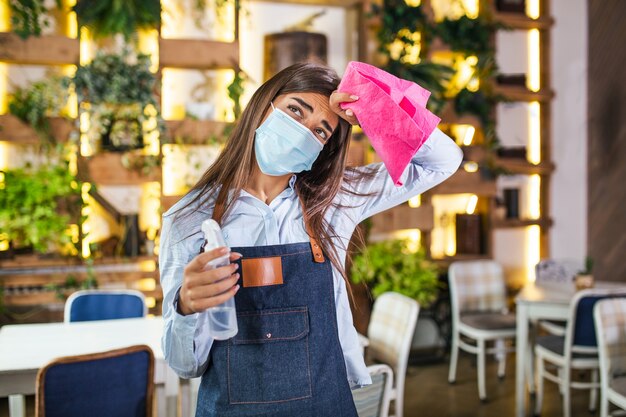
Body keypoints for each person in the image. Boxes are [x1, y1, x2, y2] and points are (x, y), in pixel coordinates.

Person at [159, 62, 463, 417]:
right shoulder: (190, 220)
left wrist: (374, 110)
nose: (304, 131)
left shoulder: (336, 201)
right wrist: (185, 307)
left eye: (320, 131)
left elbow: (442, 162)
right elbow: (186, 366)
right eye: (294, 110)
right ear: (263, 106)